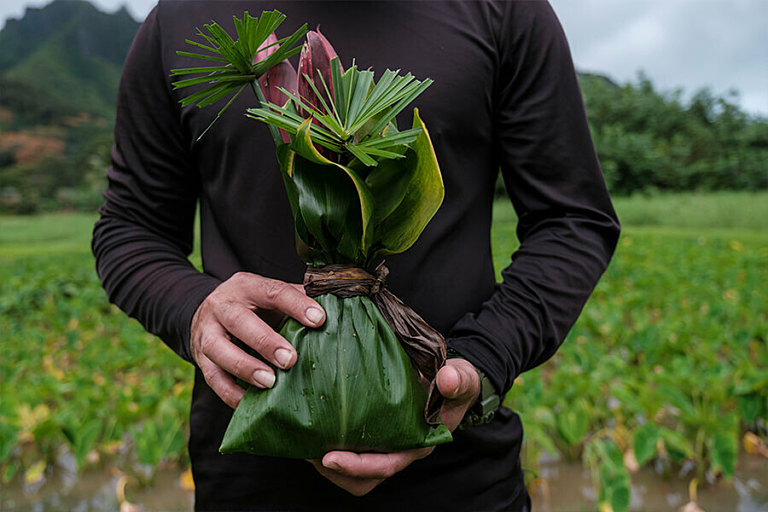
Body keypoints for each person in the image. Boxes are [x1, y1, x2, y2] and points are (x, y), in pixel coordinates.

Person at [92, 1, 620, 510]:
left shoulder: (504, 10)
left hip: (463, 473)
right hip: (248, 474)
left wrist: (482, 357)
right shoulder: (182, 18)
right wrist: (197, 310)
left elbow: (572, 222)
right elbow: (129, 229)